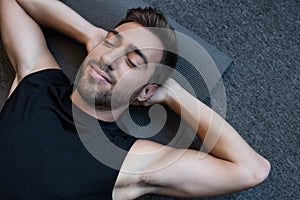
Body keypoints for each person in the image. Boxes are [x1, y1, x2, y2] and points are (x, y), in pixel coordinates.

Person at [0, 0, 270, 199]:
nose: (108, 59)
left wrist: (172, 94)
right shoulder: (37, 79)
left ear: (146, 91)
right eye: (110, 44)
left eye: (131, 62)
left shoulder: (129, 160)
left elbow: (251, 169)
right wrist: (88, 33)